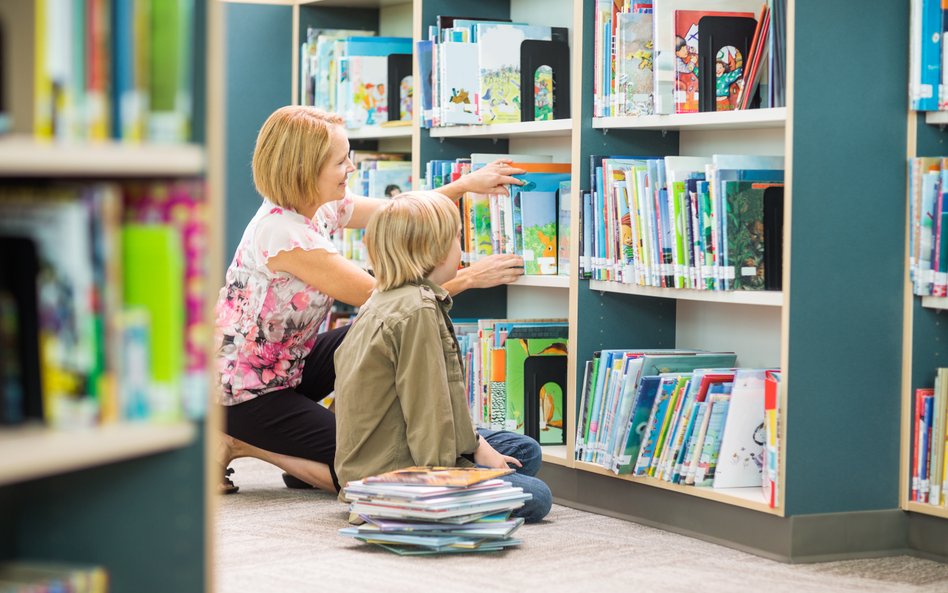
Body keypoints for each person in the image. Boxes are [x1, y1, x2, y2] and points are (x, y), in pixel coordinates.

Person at [215, 106, 525, 494]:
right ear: (304, 169)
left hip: (289, 363)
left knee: (362, 335)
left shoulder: (321, 206)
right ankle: (243, 442)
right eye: (341, 161)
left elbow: (400, 215)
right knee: (362, 466)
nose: (351, 168)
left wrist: (463, 185)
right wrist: (470, 278)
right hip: (244, 392)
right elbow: (387, 301)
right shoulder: (283, 234)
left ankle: (307, 438)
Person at [333, 191, 553, 523]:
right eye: (456, 239)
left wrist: (477, 444)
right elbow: (428, 411)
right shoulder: (417, 310)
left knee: (525, 451)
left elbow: (438, 400)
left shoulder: (389, 297)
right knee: (538, 497)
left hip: (381, 451)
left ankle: (458, 474)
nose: (461, 249)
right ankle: (404, 504)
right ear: (435, 251)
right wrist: (452, 476)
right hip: (394, 473)